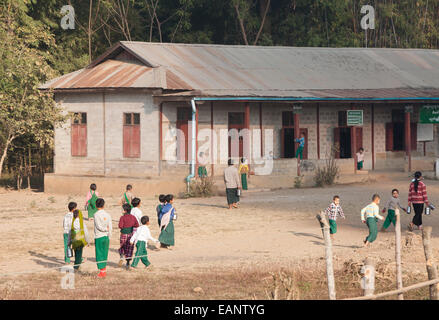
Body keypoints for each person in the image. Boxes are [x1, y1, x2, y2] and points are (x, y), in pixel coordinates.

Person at [93, 198, 112, 278]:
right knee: (104, 254)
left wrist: (105, 230)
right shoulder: (108, 214)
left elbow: (98, 226)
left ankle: (102, 272)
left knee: (99, 254)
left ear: (96, 205)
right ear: (103, 205)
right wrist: (109, 234)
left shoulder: (96, 214)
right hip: (106, 236)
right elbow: (110, 226)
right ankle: (103, 271)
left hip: (99, 236)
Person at [118, 203, 139, 270]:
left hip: (123, 234)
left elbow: (120, 226)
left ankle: (121, 256)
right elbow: (137, 224)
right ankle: (127, 263)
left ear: (125, 211)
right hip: (130, 234)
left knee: (122, 246)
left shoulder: (122, 217)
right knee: (129, 248)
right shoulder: (133, 217)